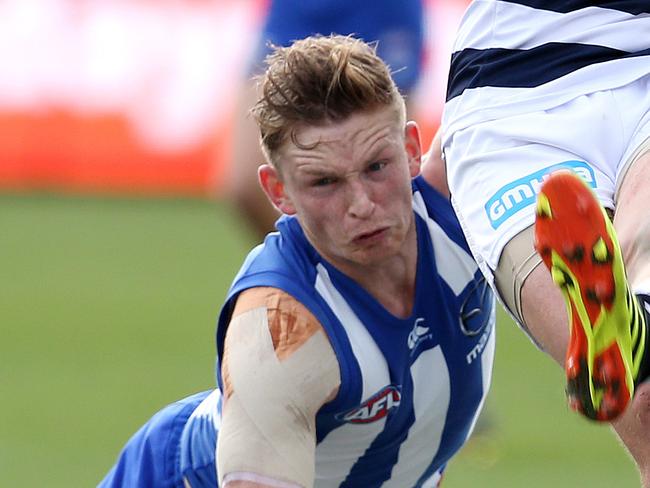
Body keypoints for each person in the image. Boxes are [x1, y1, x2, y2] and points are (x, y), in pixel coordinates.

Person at [100, 35, 495, 487]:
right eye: (324, 182)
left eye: (377, 167)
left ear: (410, 149)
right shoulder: (278, 335)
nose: (362, 204)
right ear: (278, 192)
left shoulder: (462, 196)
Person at [440, 1, 650, 484]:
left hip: (638, 67)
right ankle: (628, 322)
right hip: (508, 109)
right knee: (640, 400)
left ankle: (631, 322)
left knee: (637, 386)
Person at [226, 0, 425, 239]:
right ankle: (320, 268)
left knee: (388, 171)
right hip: (297, 11)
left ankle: (385, 269)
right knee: (245, 186)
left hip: (379, 10)